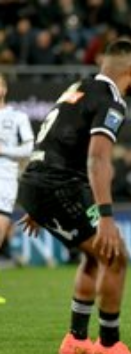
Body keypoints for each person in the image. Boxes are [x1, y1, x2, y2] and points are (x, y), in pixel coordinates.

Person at [18, 38, 131, 354]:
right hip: (59, 186)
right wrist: (106, 217)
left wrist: (37, 202)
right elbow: (98, 159)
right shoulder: (112, 101)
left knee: (94, 256)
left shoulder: (78, 88)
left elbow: (54, 137)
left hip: (36, 181)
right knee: (115, 255)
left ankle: (76, 340)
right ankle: (109, 344)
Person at [0, 73, 34, 303]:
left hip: (5, 177)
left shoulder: (17, 117)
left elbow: (29, 149)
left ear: (4, 89)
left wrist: (3, 151)